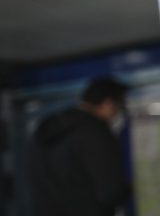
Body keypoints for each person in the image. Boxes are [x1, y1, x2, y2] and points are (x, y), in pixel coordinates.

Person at [29, 77, 131, 216]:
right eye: (120, 107)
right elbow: (110, 192)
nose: (118, 113)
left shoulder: (46, 127)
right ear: (108, 103)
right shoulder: (96, 132)